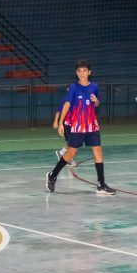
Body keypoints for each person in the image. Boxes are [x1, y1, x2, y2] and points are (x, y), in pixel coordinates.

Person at [45, 60, 115, 195]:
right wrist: (60, 123)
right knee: (70, 153)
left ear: (89, 72)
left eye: (84, 71)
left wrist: (96, 101)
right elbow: (66, 104)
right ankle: (52, 175)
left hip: (92, 125)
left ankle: (101, 184)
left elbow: (96, 104)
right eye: (79, 71)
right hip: (77, 126)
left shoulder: (94, 86)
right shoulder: (73, 87)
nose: (82, 73)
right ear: (76, 73)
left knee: (98, 152)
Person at [52, 89, 76, 168]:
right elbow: (59, 111)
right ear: (68, 89)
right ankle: (69, 158)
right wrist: (56, 121)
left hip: (75, 124)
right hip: (67, 124)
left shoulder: (77, 98)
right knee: (71, 142)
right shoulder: (66, 99)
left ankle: (61, 152)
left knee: (75, 142)